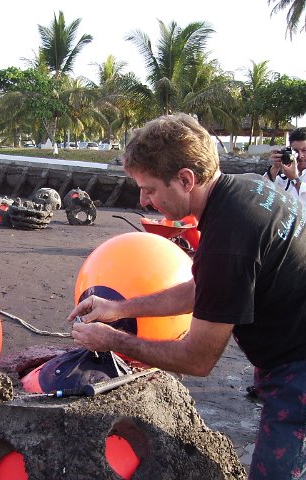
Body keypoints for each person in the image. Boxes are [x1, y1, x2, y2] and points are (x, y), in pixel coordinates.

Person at [68, 113, 306, 480]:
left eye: (149, 189)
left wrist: (114, 340)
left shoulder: (228, 239)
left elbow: (198, 360)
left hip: (297, 368)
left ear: (185, 179)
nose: (144, 201)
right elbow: (206, 288)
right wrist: (119, 308)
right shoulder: (247, 188)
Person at [264, 126, 306, 205]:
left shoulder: (290, 177)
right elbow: (260, 190)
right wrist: (275, 168)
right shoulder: (284, 178)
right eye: (296, 151)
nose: (301, 156)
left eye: (305, 150)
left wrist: (294, 179)